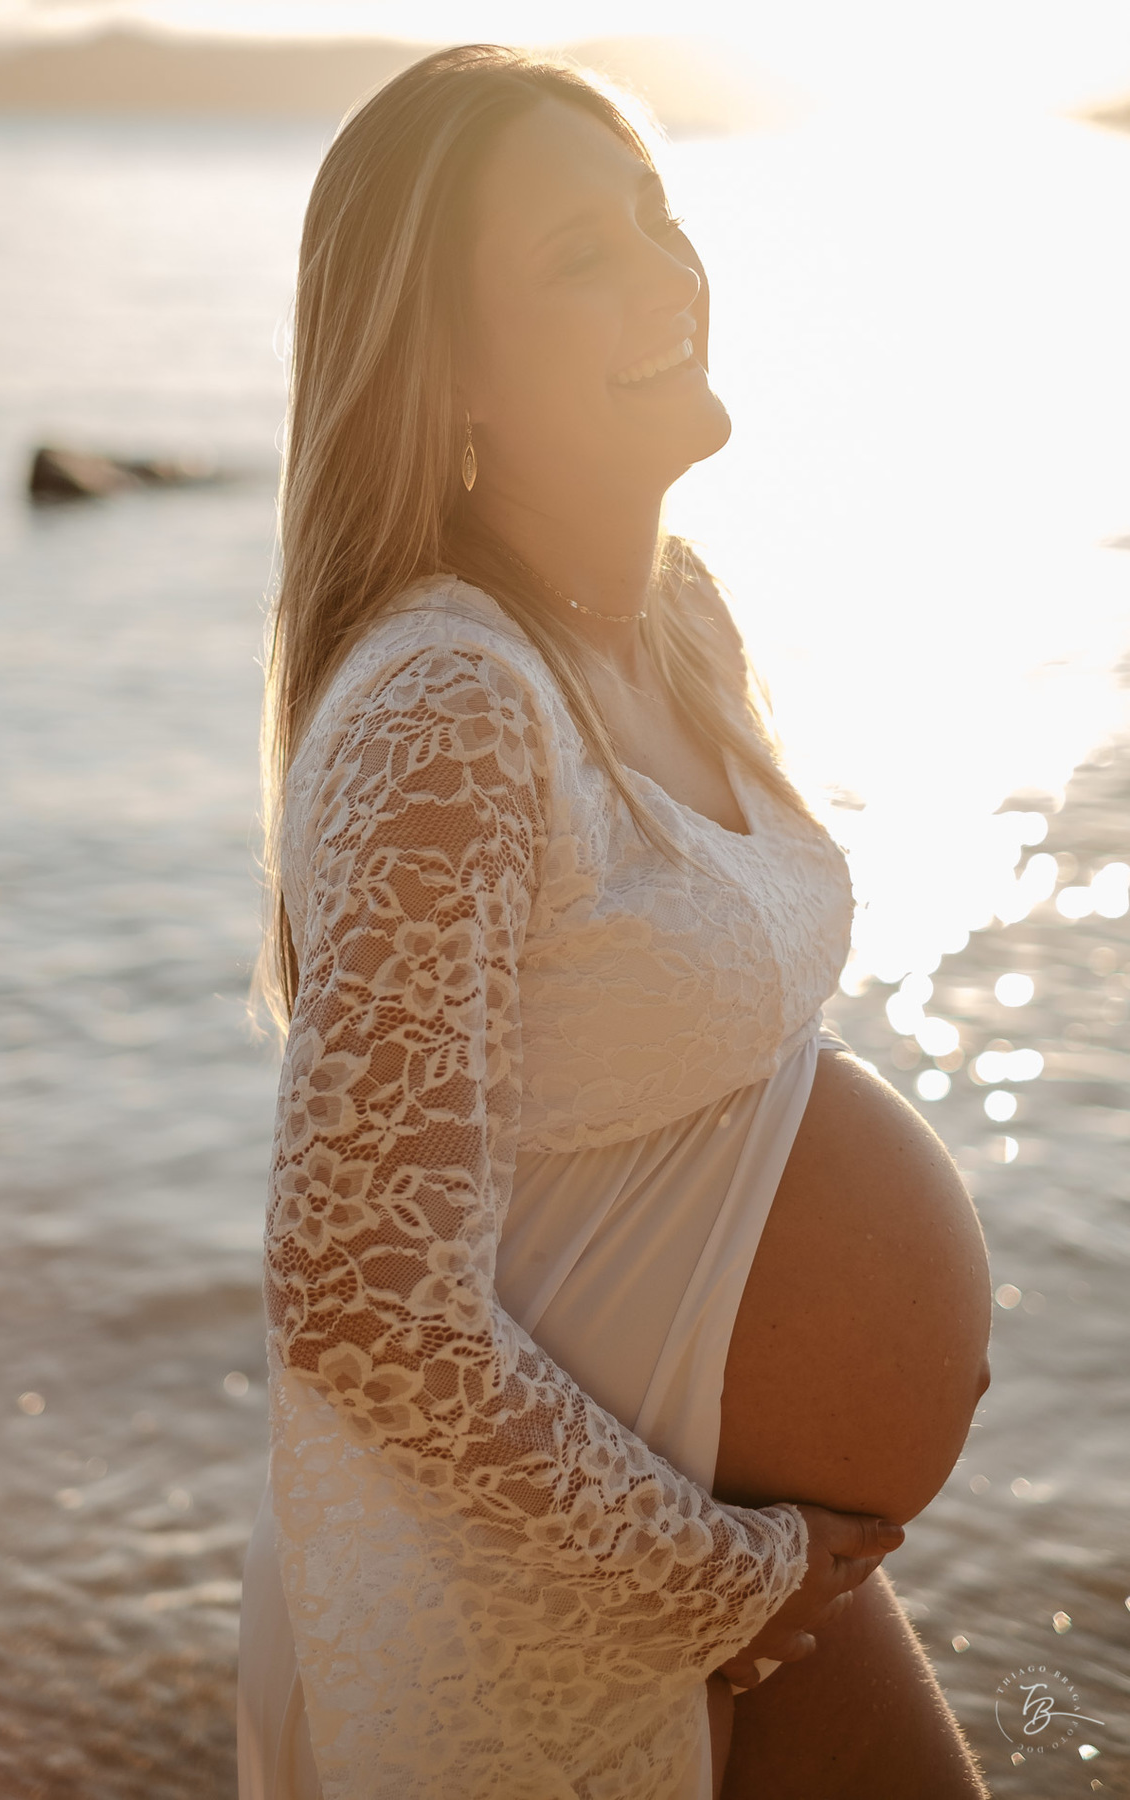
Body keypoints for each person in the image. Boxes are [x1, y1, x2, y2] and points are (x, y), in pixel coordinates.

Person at [237, 44, 993, 1800]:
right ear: (449, 374)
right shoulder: (449, 700)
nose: (670, 276)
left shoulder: (678, 623)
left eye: (658, 217)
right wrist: (715, 1581)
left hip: (725, 1540)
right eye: (581, 255)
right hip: (538, 1628)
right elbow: (357, 1296)